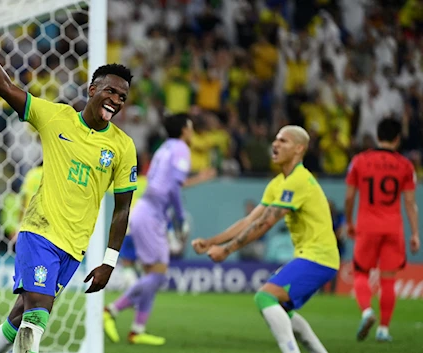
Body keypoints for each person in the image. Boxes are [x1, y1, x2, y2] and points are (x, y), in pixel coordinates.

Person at [0, 7, 138, 353]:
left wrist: (109, 260)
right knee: (38, 316)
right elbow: (5, 86)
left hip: (73, 248)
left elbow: (122, 208)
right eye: (111, 92)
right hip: (40, 233)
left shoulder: (123, 147)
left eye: (122, 97)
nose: (116, 100)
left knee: (16, 322)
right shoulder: (57, 117)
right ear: (92, 89)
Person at [193, 125, 339, 353]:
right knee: (282, 308)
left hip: (319, 258)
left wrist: (227, 250)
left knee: (265, 297)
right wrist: (213, 242)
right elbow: (249, 221)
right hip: (311, 257)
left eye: (283, 141)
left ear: (299, 149)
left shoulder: (299, 180)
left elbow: (265, 224)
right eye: (276, 139)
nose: (275, 144)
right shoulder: (278, 183)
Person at [104, 113, 194, 346]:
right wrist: (180, 218)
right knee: (158, 275)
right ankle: (111, 310)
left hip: (147, 212)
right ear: (184, 130)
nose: (193, 132)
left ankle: (137, 330)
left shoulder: (164, 148)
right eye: (191, 127)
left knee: (152, 277)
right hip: (152, 215)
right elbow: (173, 187)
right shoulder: (181, 149)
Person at [344, 118, 420, 342]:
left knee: (360, 272)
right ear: (397, 139)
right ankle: (384, 330)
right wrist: (415, 233)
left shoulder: (359, 161)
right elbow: (410, 203)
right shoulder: (405, 165)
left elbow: (349, 197)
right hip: (393, 227)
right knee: (388, 280)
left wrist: (349, 221)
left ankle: (367, 312)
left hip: (367, 226)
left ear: (378, 136)